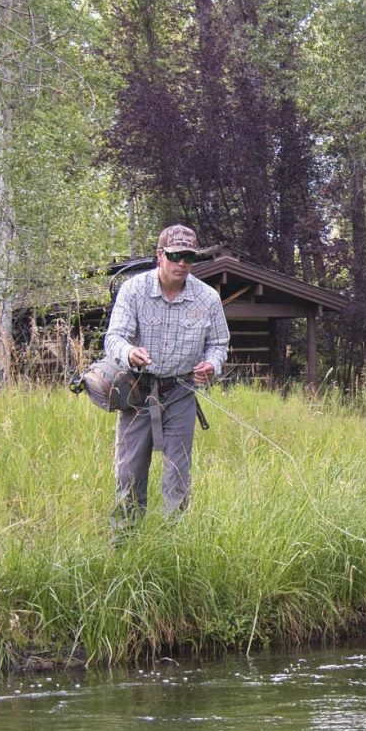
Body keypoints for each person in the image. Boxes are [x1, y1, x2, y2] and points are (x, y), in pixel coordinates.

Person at [103, 224, 230, 529]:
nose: (183, 263)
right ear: (160, 255)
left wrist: (212, 366)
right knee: (130, 473)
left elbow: (219, 344)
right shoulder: (133, 290)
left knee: (178, 473)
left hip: (181, 392)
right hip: (137, 393)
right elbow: (114, 338)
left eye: (190, 257)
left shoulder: (208, 298)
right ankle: (124, 542)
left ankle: (174, 547)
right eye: (176, 256)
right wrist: (130, 352)